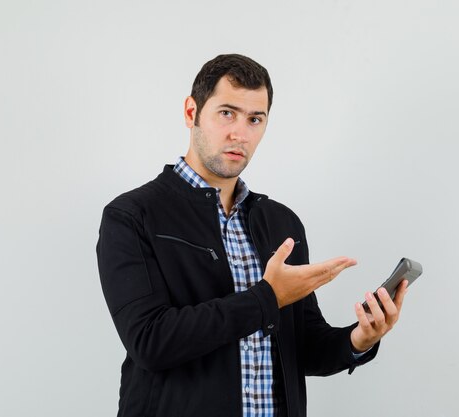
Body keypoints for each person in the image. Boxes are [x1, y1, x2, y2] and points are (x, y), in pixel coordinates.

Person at [96, 53, 408, 417]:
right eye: (226, 113)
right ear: (191, 112)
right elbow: (150, 342)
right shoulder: (132, 215)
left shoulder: (281, 224)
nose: (239, 133)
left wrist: (360, 339)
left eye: (254, 119)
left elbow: (302, 347)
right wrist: (267, 298)